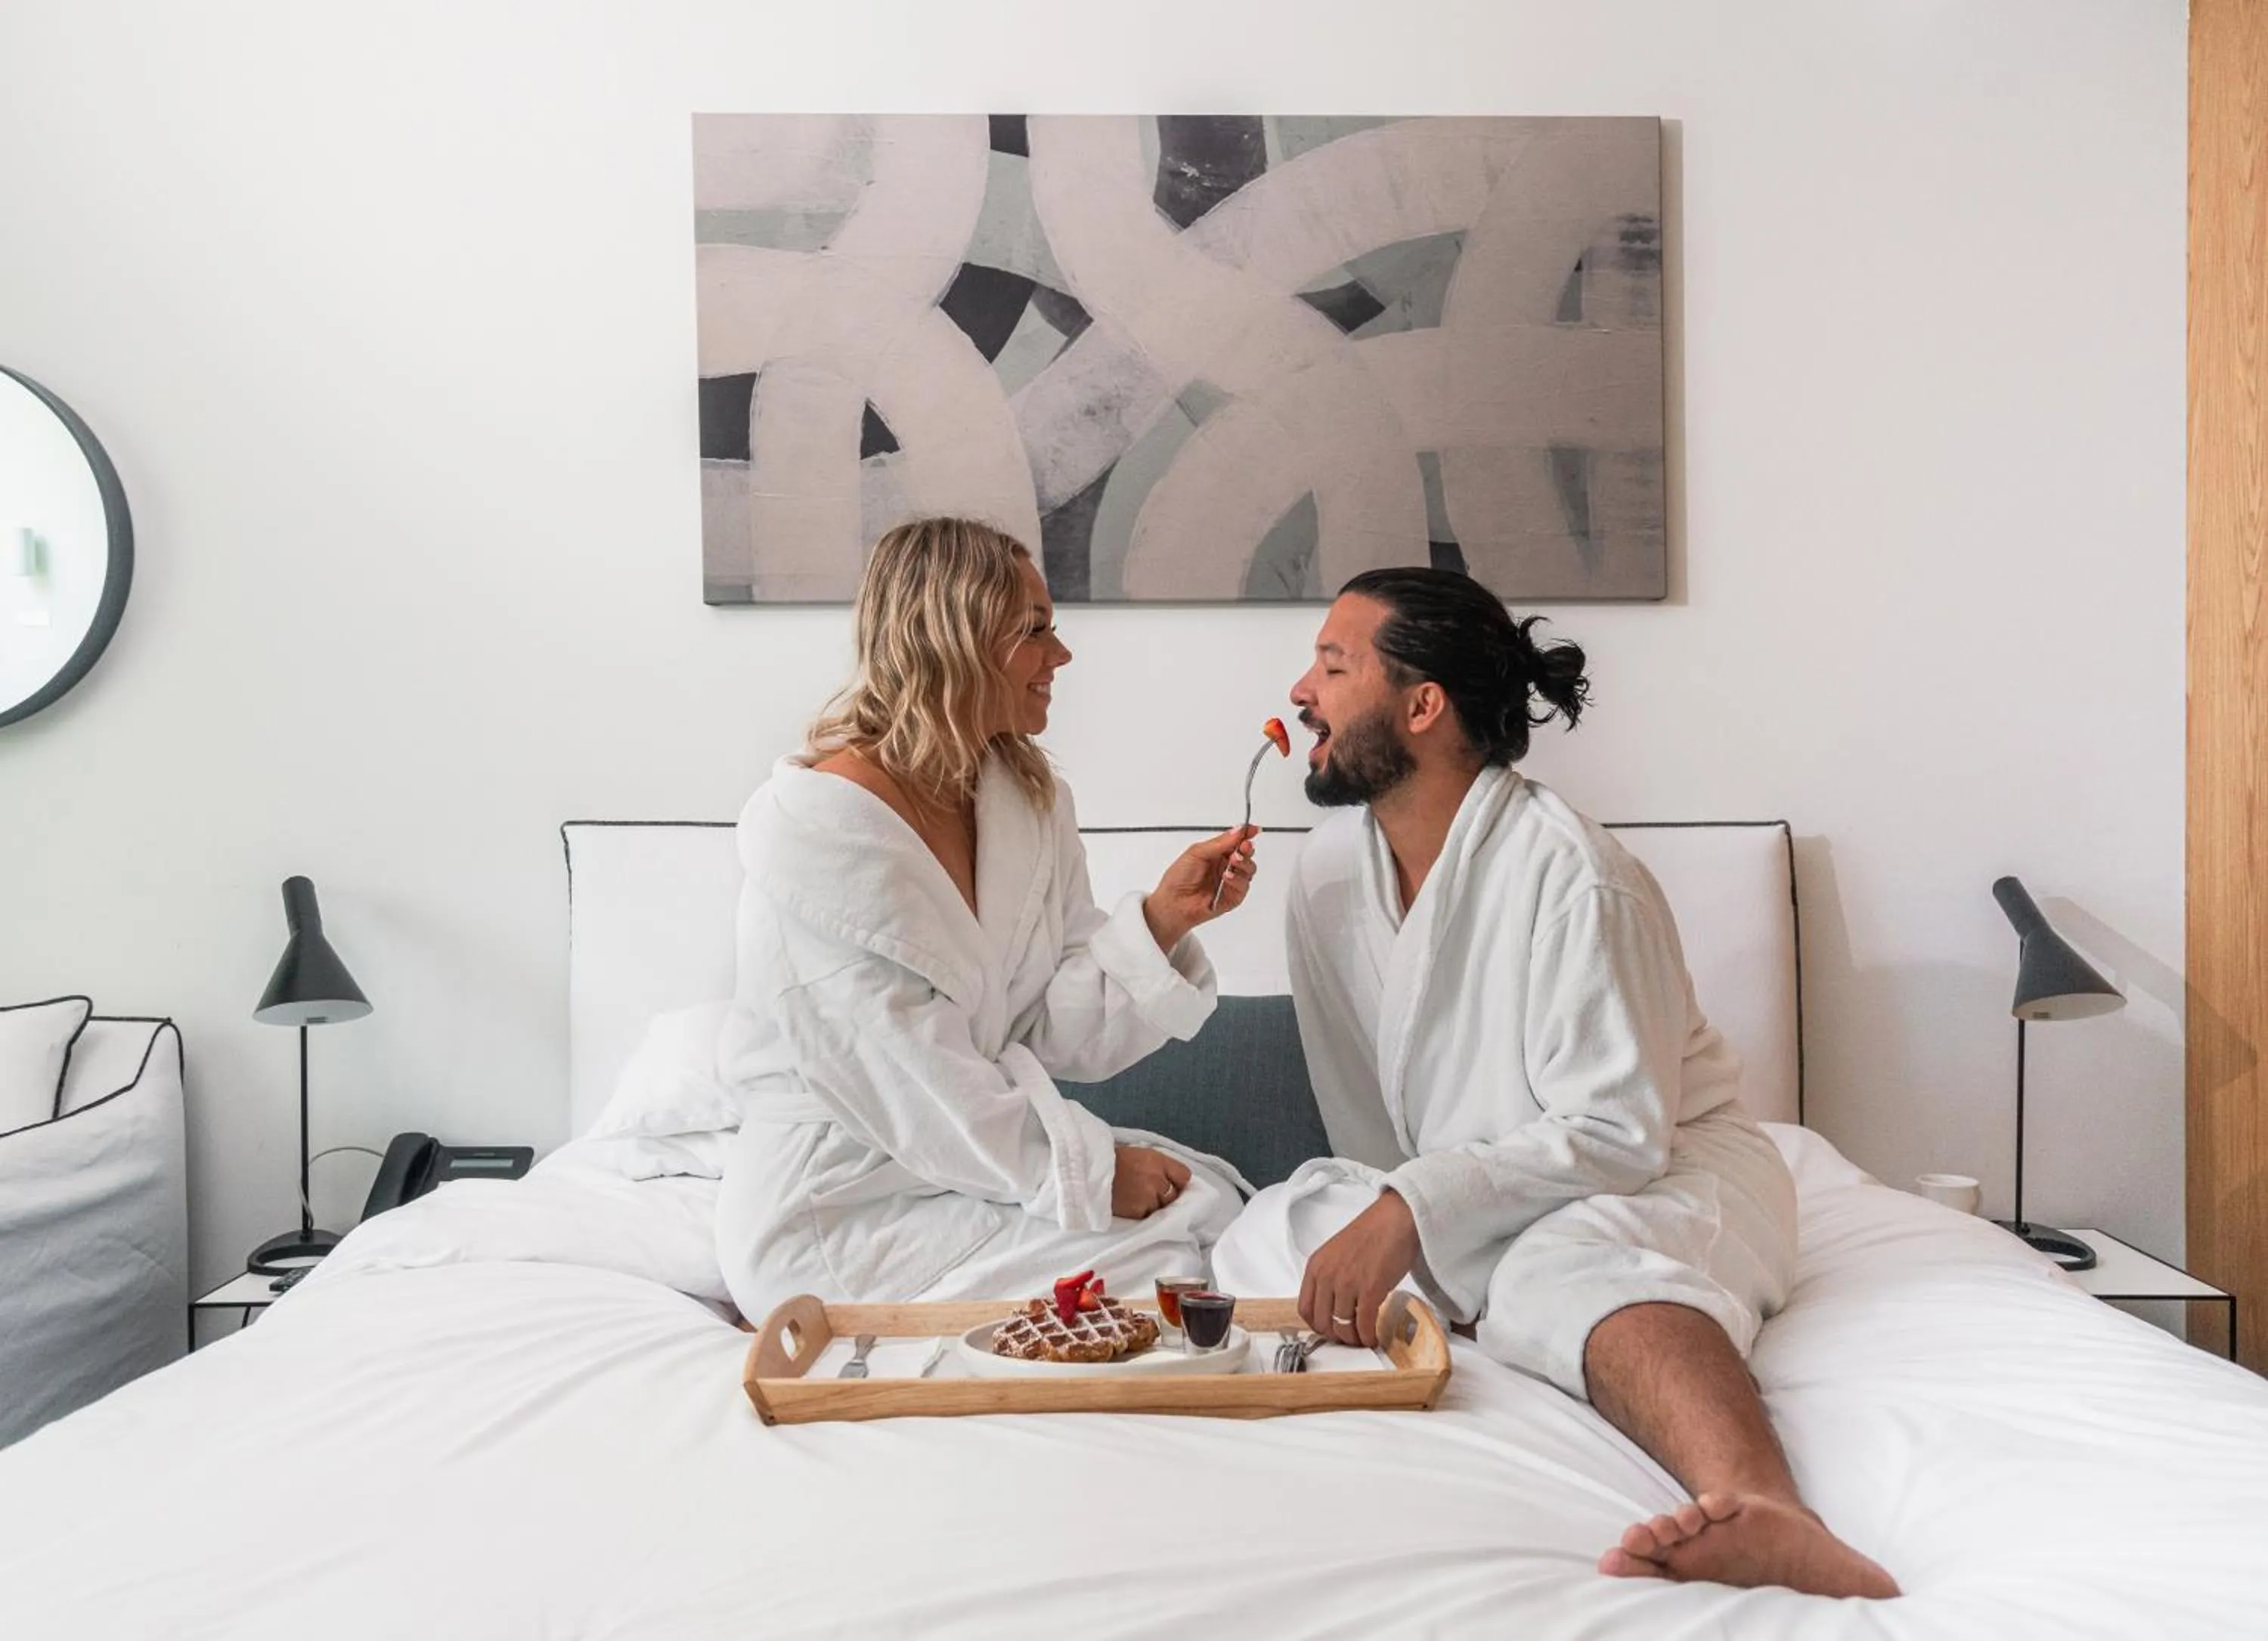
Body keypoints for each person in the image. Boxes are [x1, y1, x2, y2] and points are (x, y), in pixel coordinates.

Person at [1211, 567, 1897, 1600]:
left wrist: (1421, 1212)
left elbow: (1620, 1130)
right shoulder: (1327, 872)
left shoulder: (1576, 874)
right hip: (1480, 1186)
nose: (1301, 690)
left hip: (1662, 1165)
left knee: (1556, 1268)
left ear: (1424, 705)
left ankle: (1770, 1508)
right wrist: (1405, 1213)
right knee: (1273, 1224)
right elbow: (1373, 1117)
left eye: (1333, 665)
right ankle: (1486, 1274)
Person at [714, 516, 1256, 1322]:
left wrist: (1161, 920)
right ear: (955, 637)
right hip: (836, 1213)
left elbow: (1045, 1027)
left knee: (1212, 1211)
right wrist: (1095, 1172)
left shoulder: (1028, 802)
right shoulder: (821, 832)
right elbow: (908, 1076)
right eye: (1034, 630)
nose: (1061, 656)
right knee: (1176, 1256)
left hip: (969, 1164)